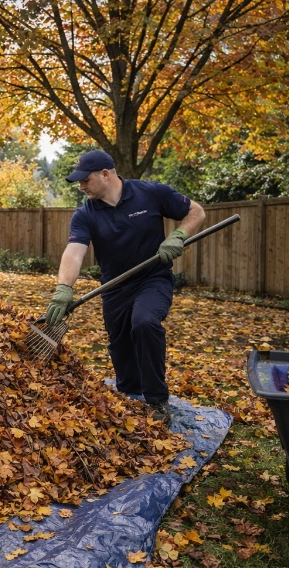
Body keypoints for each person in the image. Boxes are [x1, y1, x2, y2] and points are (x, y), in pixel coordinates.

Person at [45, 150, 205, 426]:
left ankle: (156, 400)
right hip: (115, 287)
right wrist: (63, 288)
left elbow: (196, 211)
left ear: (105, 174)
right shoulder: (85, 214)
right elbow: (74, 252)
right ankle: (130, 394)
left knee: (144, 323)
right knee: (120, 347)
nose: (81, 186)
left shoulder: (151, 193)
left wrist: (179, 234)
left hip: (152, 279)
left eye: (85, 180)